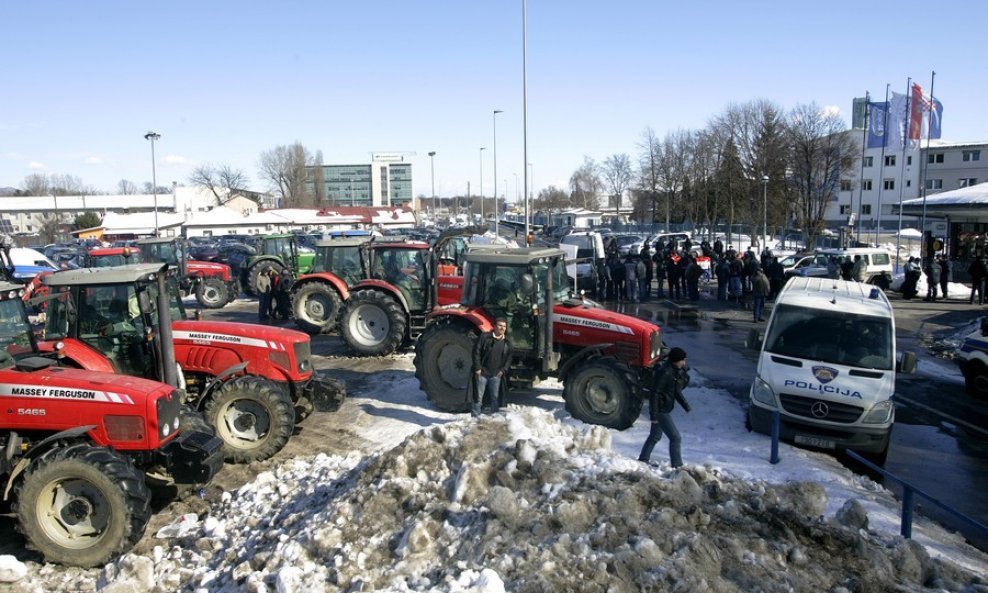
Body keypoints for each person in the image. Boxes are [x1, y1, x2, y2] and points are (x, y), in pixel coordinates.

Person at [638, 347, 691, 468]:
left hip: (664, 409)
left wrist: (685, 406)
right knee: (675, 438)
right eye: (683, 360)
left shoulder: (674, 370)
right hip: (660, 410)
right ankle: (677, 466)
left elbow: (675, 391)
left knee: (655, 436)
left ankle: (643, 459)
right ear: (676, 360)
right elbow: (654, 394)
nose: (684, 363)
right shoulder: (665, 372)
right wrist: (654, 415)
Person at [471, 318, 512, 416]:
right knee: (478, 398)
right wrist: (477, 368)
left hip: (496, 375)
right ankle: (475, 418)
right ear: (494, 326)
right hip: (482, 373)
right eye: (500, 325)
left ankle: (494, 417)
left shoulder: (507, 343)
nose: (502, 328)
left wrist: (503, 370)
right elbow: (476, 352)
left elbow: (508, 359)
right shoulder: (485, 337)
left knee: (495, 398)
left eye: (504, 326)